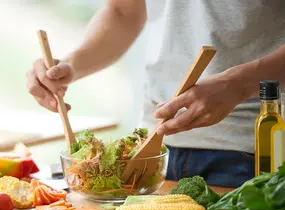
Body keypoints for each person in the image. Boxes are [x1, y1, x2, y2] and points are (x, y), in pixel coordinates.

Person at [26, 1, 285, 188]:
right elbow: (124, 12)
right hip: (153, 151)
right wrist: (70, 66)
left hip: (255, 151)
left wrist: (240, 83)